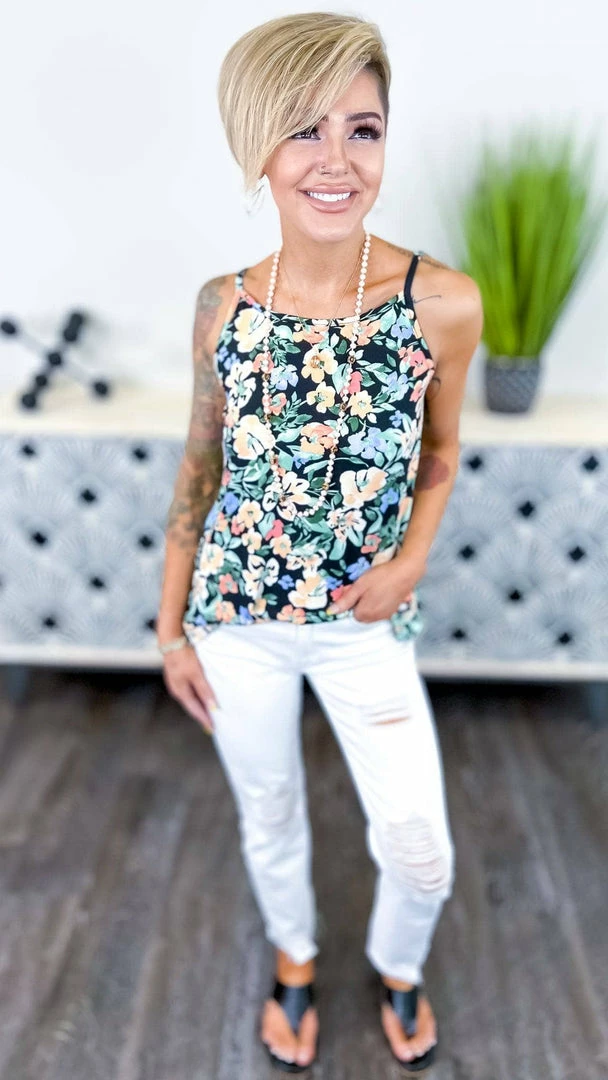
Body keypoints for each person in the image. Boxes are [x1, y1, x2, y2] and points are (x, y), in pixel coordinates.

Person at [157, 11, 483, 1075]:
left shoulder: (440, 303)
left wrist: (411, 562)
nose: (336, 160)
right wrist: (170, 631)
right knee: (269, 811)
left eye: (362, 129)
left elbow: (440, 450)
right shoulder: (222, 306)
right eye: (304, 129)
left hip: (362, 623)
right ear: (257, 145)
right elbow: (199, 468)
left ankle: (398, 964)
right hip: (235, 621)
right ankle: (294, 957)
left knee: (421, 853)